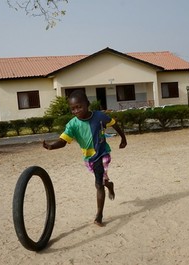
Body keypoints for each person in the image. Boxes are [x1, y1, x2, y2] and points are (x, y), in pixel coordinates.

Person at [43, 90, 127, 227]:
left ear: (87, 104)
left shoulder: (99, 116)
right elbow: (63, 141)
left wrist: (123, 139)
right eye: (73, 109)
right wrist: (52, 146)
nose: (76, 110)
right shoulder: (72, 125)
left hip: (102, 153)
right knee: (102, 180)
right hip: (89, 158)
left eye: (79, 106)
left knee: (98, 184)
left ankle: (99, 216)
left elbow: (114, 123)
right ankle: (109, 184)